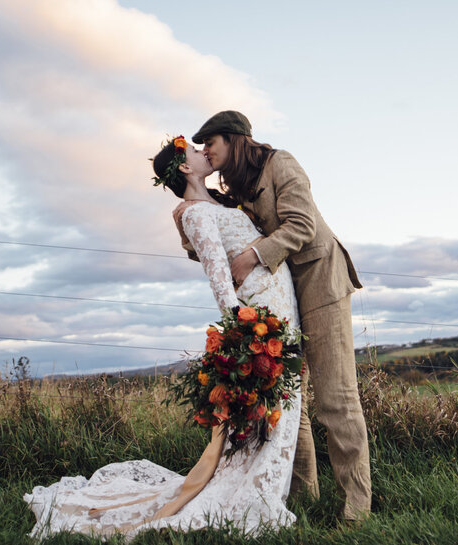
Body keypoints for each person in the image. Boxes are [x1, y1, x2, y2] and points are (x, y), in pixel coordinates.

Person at [24, 137, 302, 540]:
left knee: (282, 409)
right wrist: (242, 333)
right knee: (271, 409)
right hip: (260, 315)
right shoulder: (193, 214)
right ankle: (251, 494)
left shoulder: (221, 204)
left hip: (280, 303)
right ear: (185, 168)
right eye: (193, 151)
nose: (204, 151)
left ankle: (271, 488)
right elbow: (220, 281)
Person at [190, 110, 370, 522]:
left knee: (336, 398)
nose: (205, 152)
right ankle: (305, 495)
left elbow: (303, 224)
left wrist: (254, 255)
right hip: (283, 297)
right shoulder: (237, 188)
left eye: (209, 143)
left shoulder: (280, 163)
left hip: (321, 280)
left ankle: (357, 509)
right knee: (290, 397)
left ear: (233, 139)